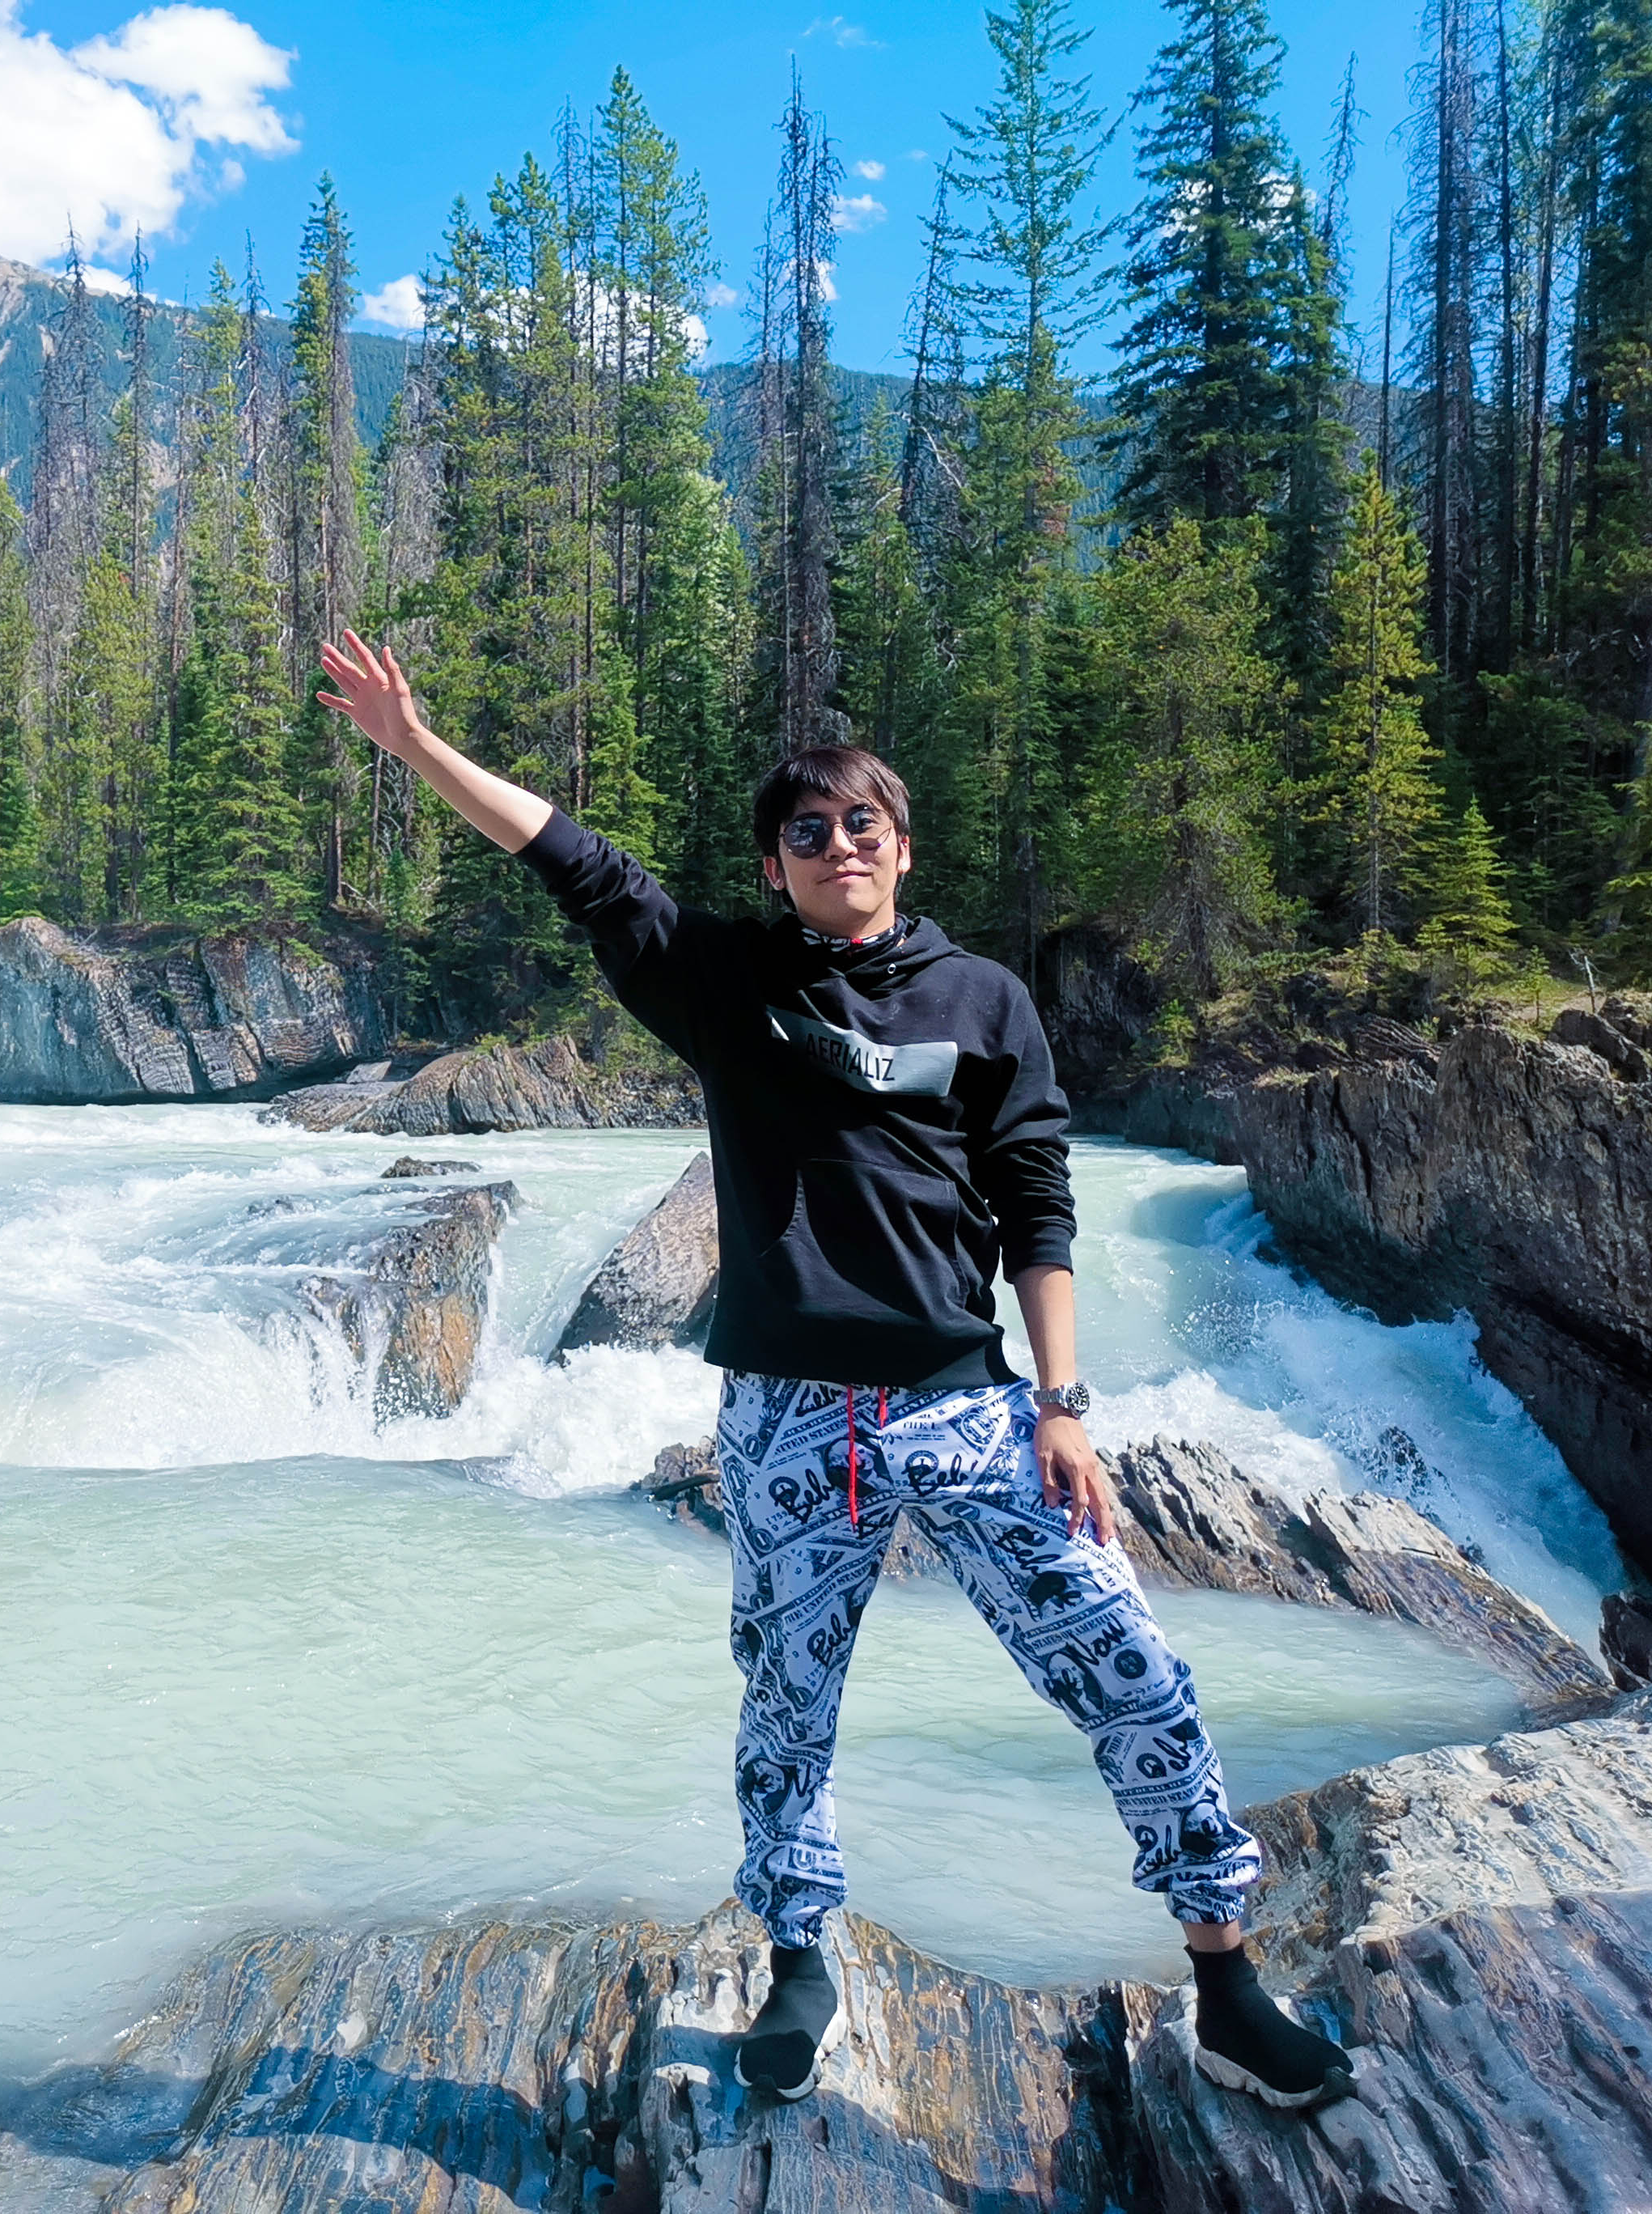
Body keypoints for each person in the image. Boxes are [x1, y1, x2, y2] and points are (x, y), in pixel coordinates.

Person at [316, 630, 1353, 2112]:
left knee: (1131, 1672)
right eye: (805, 831)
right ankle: (797, 1956)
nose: (835, 844)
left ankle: (1225, 1981)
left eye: (859, 822)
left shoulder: (982, 1001)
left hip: (964, 1407)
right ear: (778, 865)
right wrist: (415, 750)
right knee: (786, 1703)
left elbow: (1036, 1205)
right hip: (787, 1417)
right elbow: (580, 862)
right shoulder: (727, 984)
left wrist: (1062, 1408)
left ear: (900, 845)